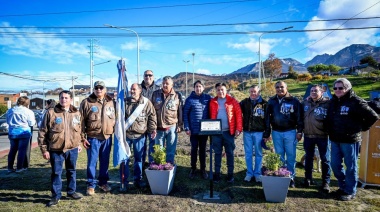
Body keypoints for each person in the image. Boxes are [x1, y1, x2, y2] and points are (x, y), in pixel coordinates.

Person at [326, 78, 379, 201]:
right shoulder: (334, 101)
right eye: (335, 88)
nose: (337, 90)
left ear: (348, 88)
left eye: (341, 88)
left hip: (350, 140)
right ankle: (342, 186)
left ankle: (350, 191)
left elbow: (373, 116)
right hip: (334, 139)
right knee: (335, 165)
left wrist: (362, 128)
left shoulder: (356, 101)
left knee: (350, 166)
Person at [38, 90, 83, 207]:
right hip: (56, 149)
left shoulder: (76, 113)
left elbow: (79, 130)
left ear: (71, 99)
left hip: (72, 149)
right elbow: (42, 132)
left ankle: (71, 192)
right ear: (59, 99)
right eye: (62, 98)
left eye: (66, 98)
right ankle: (56, 196)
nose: (64, 100)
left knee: (71, 171)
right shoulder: (51, 113)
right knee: (56, 173)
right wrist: (44, 150)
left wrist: (78, 144)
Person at [264, 81, 303, 188]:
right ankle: (282, 176)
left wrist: (299, 131)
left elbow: (299, 117)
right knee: (279, 156)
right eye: (277, 87)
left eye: (282, 87)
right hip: (276, 132)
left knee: (291, 156)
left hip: (290, 132)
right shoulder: (271, 101)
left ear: (286, 87)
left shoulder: (294, 101)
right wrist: (267, 133)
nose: (279, 89)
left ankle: (291, 178)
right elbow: (267, 118)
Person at [80, 81, 115, 196]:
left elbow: (116, 118)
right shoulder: (86, 102)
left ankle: (103, 182)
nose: (99, 90)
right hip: (93, 137)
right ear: (94, 89)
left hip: (107, 137)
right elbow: (80, 122)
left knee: (105, 162)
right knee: (92, 162)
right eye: (96, 88)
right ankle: (91, 185)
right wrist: (82, 138)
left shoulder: (111, 102)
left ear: (105, 89)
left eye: (101, 88)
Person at [121, 83, 157, 189]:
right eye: (131, 89)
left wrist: (152, 129)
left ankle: (138, 179)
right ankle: (124, 181)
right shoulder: (124, 102)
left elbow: (152, 116)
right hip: (126, 135)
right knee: (124, 159)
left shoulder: (146, 103)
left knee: (139, 159)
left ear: (140, 90)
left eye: (134, 89)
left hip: (140, 136)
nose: (132, 91)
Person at [209, 83, 242, 183]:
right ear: (216, 91)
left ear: (226, 90)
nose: (220, 91)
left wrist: (238, 129)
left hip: (229, 132)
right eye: (218, 90)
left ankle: (230, 175)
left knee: (230, 153)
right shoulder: (212, 102)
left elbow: (239, 116)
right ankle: (217, 174)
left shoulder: (233, 101)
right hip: (216, 133)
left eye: (222, 89)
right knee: (217, 153)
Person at [302, 84, 331, 192]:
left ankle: (325, 182)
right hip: (308, 135)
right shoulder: (305, 103)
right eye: (312, 91)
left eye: (316, 91)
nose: (313, 92)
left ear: (322, 92)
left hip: (322, 136)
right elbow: (300, 118)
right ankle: (308, 178)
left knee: (325, 159)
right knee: (309, 158)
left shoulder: (328, 103)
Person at [183, 80, 212, 179]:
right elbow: (185, 114)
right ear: (194, 88)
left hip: (204, 130)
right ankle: (193, 168)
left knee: (203, 150)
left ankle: (203, 169)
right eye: (196, 86)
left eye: (200, 86)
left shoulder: (208, 98)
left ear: (203, 88)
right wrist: (187, 127)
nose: (198, 88)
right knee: (194, 149)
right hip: (193, 131)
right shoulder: (189, 100)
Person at [151, 76, 183, 163]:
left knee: (170, 151)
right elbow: (151, 112)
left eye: (167, 84)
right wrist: (152, 127)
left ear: (172, 85)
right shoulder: (155, 94)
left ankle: (169, 168)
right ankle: (159, 169)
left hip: (172, 128)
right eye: (163, 83)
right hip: (159, 129)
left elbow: (180, 111)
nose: (165, 85)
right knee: (158, 151)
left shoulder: (177, 96)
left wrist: (180, 125)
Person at [240, 85, 268, 183]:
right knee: (248, 154)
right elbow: (236, 110)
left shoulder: (264, 104)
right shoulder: (244, 102)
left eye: (255, 91)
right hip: (247, 132)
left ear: (259, 92)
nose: (253, 93)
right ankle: (249, 173)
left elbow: (267, 119)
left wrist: (267, 133)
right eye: (251, 91)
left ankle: (257, 173)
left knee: (258, 153)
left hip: (259, 132)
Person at [6, 96, 36, 173]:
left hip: (12, 132)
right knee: (22, 150)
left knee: (12, 150)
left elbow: (7, 121)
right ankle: (19, 167)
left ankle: (10, 167)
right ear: (27, 103)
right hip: (24, 132)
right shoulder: (28, 111)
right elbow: (31, 123)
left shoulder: (10, 110)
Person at [141, 70, 160, 164]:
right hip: (140, 122)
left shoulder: (158, 89)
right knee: (141, 145)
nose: (148, 77)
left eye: (150, 75)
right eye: (146, 75)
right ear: (143, 76)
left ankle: (152, 164)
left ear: (153, 77)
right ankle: (141, 164)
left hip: (152, 122)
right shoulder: (138, 88)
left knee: (153, 145)